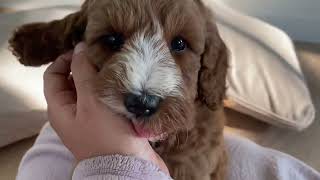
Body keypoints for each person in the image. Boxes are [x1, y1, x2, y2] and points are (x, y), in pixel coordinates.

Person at [16, 43, 320, 180]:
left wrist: (117, 161)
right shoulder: (54, 149)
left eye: (177, 44)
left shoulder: (249, 161)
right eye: (114, 40)